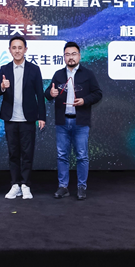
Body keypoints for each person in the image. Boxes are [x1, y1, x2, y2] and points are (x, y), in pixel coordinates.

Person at [45, 41, 102, 200]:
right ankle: (63, 186)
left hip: (80, 122)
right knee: (62, 155)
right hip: (62, 122)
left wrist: (84, 100)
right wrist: (51, 93)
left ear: (79, 56)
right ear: (64, 57)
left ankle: (81, 187)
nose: (70, 57)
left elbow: (98, 94)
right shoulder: (58, 74)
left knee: (82, 156)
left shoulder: (88, 74)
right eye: (67, 54)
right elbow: (48, 93)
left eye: (73, 54)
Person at [0, 36, 46, 199]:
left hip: (28, 118)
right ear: (9, 50)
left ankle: (25, 185)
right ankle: (15, 184)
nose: (17, 51)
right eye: (14, 47)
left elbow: (40, 94)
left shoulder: (34, 69)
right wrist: (2, 87)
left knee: (27, 153)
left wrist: (42, 117)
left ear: (25, 49)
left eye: (20, 47)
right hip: (10, 118)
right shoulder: (4, 69)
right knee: (13, 153)